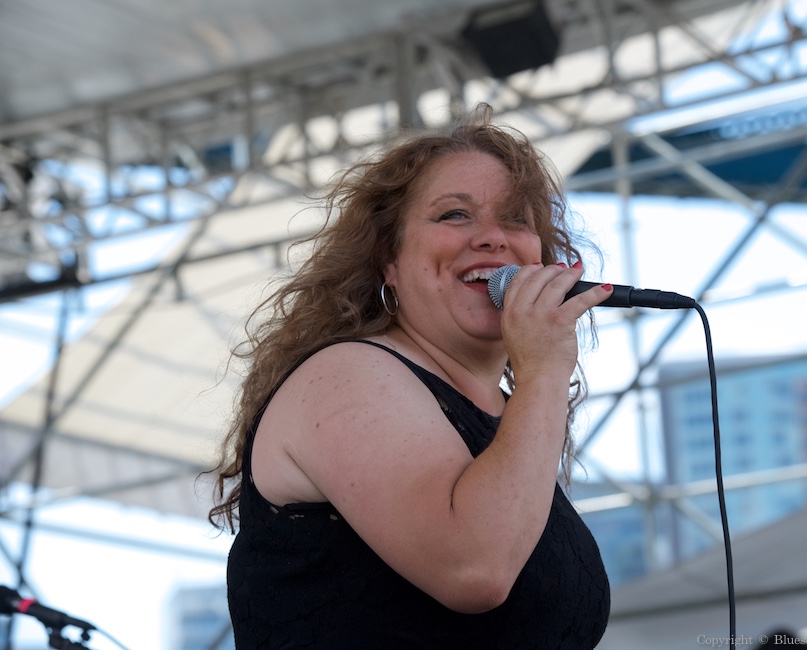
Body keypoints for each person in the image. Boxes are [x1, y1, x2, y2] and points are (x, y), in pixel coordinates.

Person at [207, 104, 612, 648]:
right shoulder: (345, 375)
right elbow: (474, 568)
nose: (493, 238)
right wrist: (543, 373)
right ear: (387, 261)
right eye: (454, 215)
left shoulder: (510, 421)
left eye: (516, 218)